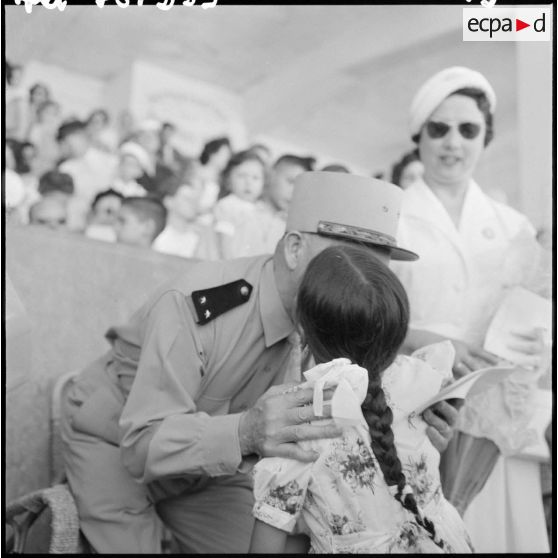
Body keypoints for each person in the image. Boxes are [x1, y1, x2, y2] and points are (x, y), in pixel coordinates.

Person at [60, 171, 458, 554]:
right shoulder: (197, 305)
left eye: (372, 271)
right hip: (115, 447)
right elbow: (140, 443)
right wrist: (248, 432)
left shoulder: (337, 325)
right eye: (345, 262)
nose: (356, 285)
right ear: (294, 248)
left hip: (210, 474)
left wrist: (413, 427)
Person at [391, 66, 549, 553]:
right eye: (438, 128)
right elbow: (365, 318)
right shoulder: (391, 215)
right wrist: (432, 343)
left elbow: (534, 311)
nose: (452, 142)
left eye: (468, 129)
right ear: (419, 134)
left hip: (493, 415)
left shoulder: (513, 226)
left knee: (496, 530)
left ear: (486, 136)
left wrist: (538, 340)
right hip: (408, 405)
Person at [250, 245, 473, 553]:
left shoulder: (297, 426)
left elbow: (265, 548)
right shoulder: (425, 380)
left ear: (302, 328)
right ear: (397, 332)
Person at [213, 150, 276, 258]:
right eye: (242, 176)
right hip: (231, 264)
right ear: (228, 180)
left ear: (263, 183)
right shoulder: (227, 206)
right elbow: (224, 242)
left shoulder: (262, 209)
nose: (248, 182)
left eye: (255, 178)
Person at [57, 119, 118, 231]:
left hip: (103, 223)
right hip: (74, 222)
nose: (68, 146)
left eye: (70, 140)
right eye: (65, 143)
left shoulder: (109, 161)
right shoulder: (65, 168)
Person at [153, 161, 220, 260]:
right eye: (187, 199)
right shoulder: (159, 236)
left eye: (196, 200)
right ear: (168, 201)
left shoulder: (198, 236)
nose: (194, 203)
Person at [197, 136, 232, 220]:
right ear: (212, 153)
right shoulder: (198, 172)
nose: (227, 159)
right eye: (224, 154)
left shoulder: (222, 181)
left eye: (228, 155)